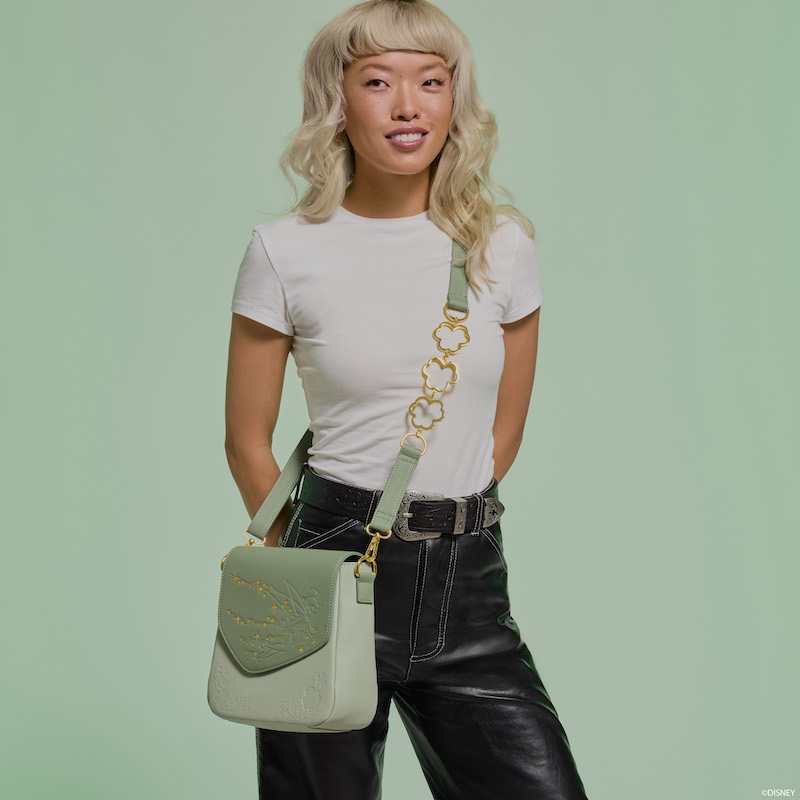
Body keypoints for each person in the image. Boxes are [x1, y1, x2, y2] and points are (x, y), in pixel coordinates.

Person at [223, 1, 589, 797]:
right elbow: (247, 441)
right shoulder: (285, 251)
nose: (407, 104)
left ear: (455, 99)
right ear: (338, 98)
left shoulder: (502, 246)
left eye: (432, 80)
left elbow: (504, 428)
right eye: (378, 79)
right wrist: (308, 584)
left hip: (470, 588)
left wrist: (446, 521)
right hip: (333, 559)